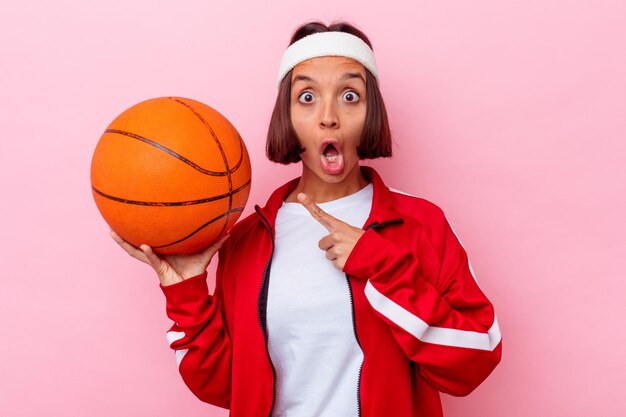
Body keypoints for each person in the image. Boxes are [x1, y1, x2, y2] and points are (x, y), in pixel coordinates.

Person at [111, 21, 502, 417]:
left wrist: (381, 264)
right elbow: (226, 385)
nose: (328, 117)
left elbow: (474, 361)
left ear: (371, 114)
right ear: (287, 116)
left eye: (350, 96)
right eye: (307, 97)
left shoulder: (420, 225)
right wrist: (188, 293)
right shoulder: (247, 240)